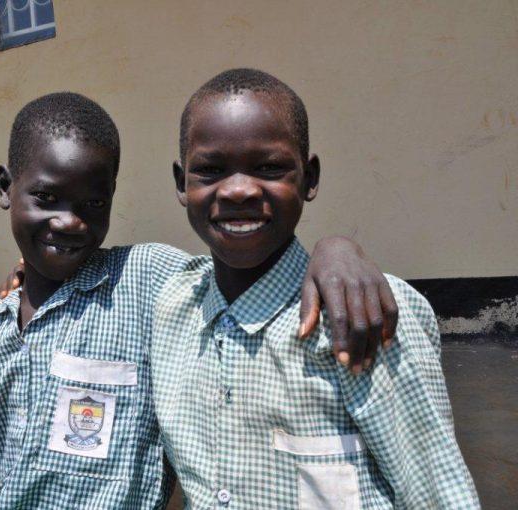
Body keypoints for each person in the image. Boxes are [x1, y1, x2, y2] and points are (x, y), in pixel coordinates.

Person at [0, 92, 396, 510]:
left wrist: (335, 250)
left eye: (93, 204)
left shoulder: (143, 279)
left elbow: (246, 264)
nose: (70, 222)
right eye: (47, 198)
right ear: (5, 188)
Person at [151, 68, 480, 509]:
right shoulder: (171, 303)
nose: (239, 190)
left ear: (309, 178)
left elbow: (437, 494)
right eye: (211, 170)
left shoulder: (362, 314)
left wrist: (338, 245)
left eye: (269, 168)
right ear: (181, 183)